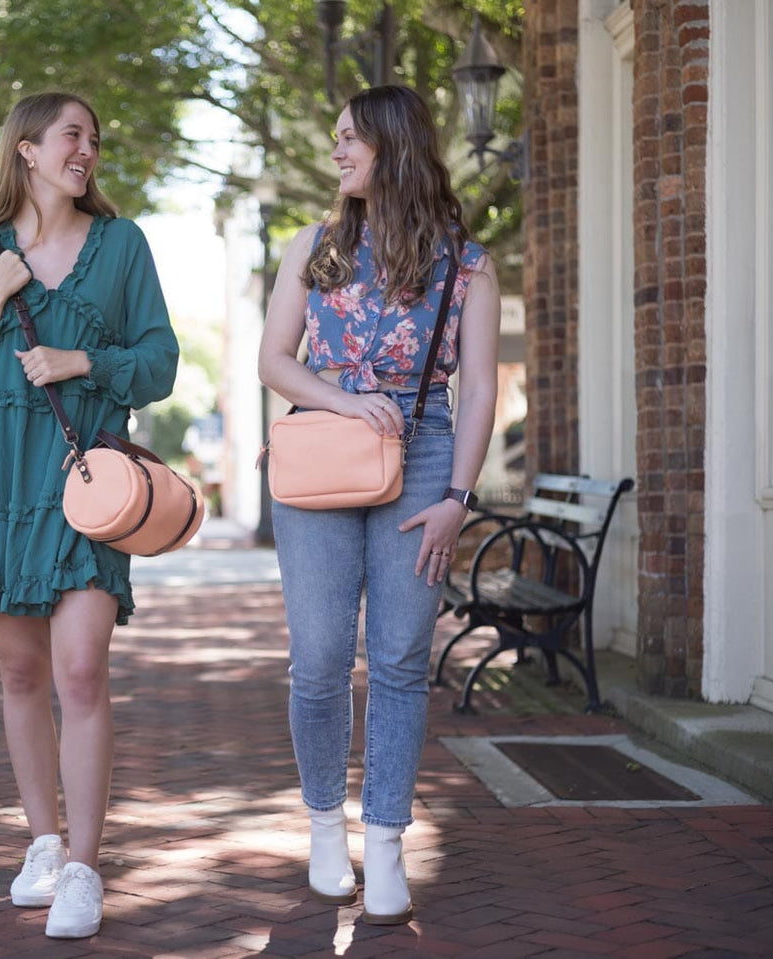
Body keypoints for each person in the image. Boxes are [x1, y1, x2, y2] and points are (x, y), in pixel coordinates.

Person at [0, 91, 179, 940]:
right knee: (20, 676)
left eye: (94, 138)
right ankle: (41, 841)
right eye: (73, 134)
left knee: (79, 672)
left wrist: (84, 358)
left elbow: (160, 359)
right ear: (27, 150)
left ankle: (82, 866)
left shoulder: (122, 245)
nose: (88, 149)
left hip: (87, 481)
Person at [257, 85, 499, 925]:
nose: (337, 151)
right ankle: (326, 829)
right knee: (319, 654)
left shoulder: (466, 263)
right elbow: (273, 362)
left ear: (392, 144)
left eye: (350, 137)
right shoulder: (312, 247)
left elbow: (475, 396)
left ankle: (387, 841)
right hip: (323, 452)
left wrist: (457, 500)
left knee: (398, 658)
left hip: (426, 453)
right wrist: (341, 400)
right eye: (334, 137)